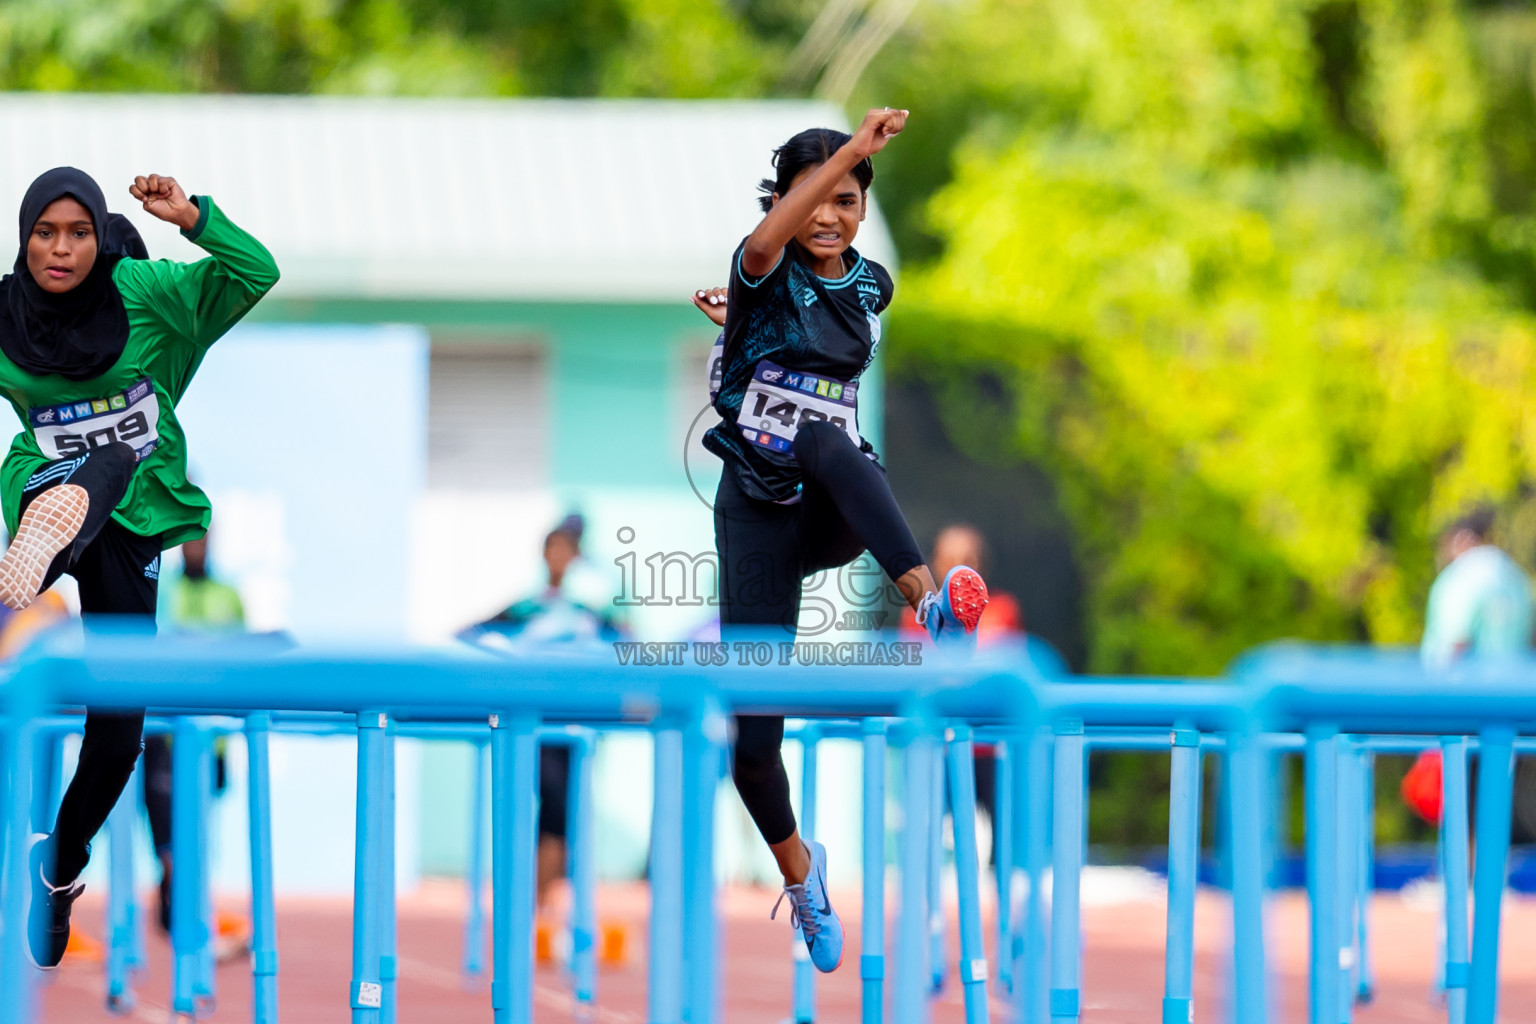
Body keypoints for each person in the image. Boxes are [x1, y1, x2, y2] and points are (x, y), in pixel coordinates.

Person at [696, 109, 989, 973]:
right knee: (753, 747)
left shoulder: (872, 285)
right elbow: (768, 266)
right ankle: (802, 878)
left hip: (831, 504)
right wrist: (849, 151)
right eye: (813, 198)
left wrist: (748, 348)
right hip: (756, 516)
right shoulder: (759, 263)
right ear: (785, 201)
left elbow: (801, 359)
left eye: (849, 199)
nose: (829, 216)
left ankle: (927, 605)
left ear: (864, 207)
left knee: (830, 439)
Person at [0, 167, 278, 968]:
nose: (62, 250)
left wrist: (194, 217)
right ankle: (50, 534)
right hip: (46, 492)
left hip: (135, 521)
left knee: (120, 731)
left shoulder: (150, 295)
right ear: (24, 238)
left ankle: (59, 868)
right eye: (46, 234)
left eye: (80, 234)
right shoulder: (9, 309)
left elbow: (254, 272)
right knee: (98, 470)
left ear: (104, 243)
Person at [458, 514, 624, 955]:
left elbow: (629, 637)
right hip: (535, 723)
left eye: (567, 551)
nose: (559, 558)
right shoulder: (527, 608)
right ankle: (531, 908)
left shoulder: (590, 609)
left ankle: (542, 907)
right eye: (553, 550)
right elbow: (470, 633)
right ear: (544, 555)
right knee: (538, 809)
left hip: (580, 724)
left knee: (565, 815)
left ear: (576, 557)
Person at [144, 531, 247, 950]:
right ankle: (184, 909)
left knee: (199, 830)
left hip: (212, 738)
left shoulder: (229, 595)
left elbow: (243, 657)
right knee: (168, 829)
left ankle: (189, 908)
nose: (196, 549)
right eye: (190, 542)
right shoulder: (162, 589)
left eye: (203, 541)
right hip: (164, 733)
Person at [1402, 508, 1536, 826]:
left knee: (1461, 807)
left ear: (1461, 539)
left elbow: (1453, 643)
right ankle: (1490, 873)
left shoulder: (1463, 576)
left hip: (1463, 707)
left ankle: (1464, 873)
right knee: (1497, 807)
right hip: (1513, 707)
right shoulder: (1516, 580)